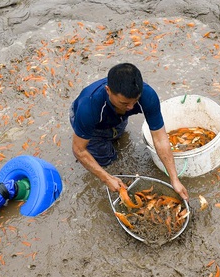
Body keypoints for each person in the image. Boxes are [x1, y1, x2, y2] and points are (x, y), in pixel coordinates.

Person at [70, 63, 189, 201]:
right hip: (92, 126)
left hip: (117, 118)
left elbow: (160, 139)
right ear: (108, 90)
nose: (131, 107)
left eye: (135, 101)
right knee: (106, 159)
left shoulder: (147, 95)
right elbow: (78, 150)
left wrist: (174, 179)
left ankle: (114, 130)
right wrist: (106, 178)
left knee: (119, 135)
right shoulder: (88, 108)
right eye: (125, 103)